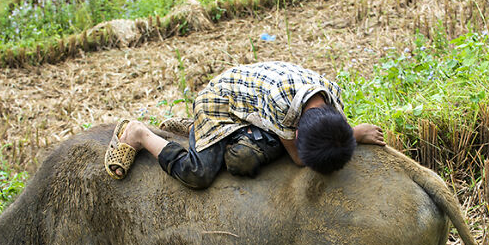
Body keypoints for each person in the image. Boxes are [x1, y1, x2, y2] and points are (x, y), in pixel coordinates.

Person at [105, 61, 384, 188]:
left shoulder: (331, 95)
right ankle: (141, 133)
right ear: (297, 132)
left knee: (244, 157)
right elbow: (299, 159)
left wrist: (349, 135)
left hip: (256, 107)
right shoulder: (280, 104)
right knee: (198, 174)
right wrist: (356, 134)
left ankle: (195, 132)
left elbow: (329, 135)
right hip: (221, 104)